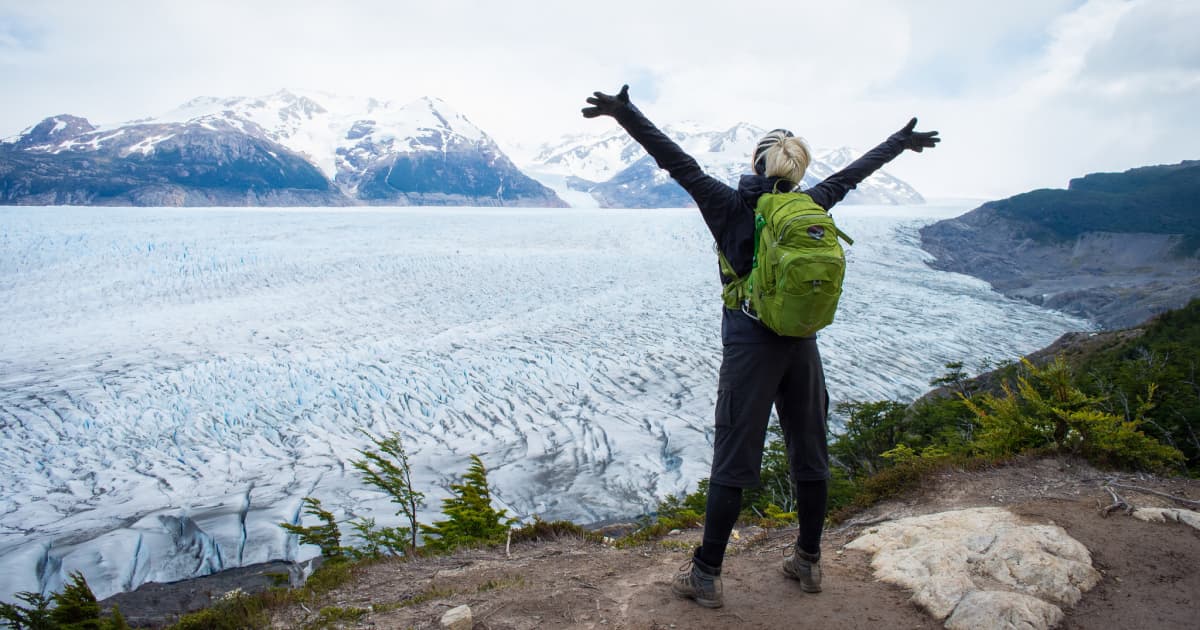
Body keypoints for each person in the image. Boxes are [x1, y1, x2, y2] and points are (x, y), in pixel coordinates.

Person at [582, 84, 940, 608]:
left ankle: (706, 573)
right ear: (796, 169)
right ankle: (809, 560)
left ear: (756, 163)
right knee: (810, 451)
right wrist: (896, 142)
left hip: (751, 345)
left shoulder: (727, 204)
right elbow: (850, 176)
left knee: (734, 456)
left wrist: (625, 113)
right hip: (802, 343)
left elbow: (675, 161)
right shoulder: (809, 204)